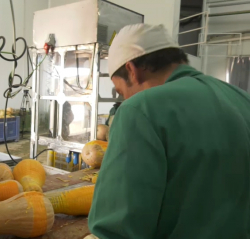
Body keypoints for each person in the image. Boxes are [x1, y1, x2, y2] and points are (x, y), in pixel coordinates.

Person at [88, 24, 250, 239]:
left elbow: (118, 228)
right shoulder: (241, 99)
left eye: (121, 91)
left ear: (132, 70)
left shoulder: (140, 109)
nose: (124, 99)